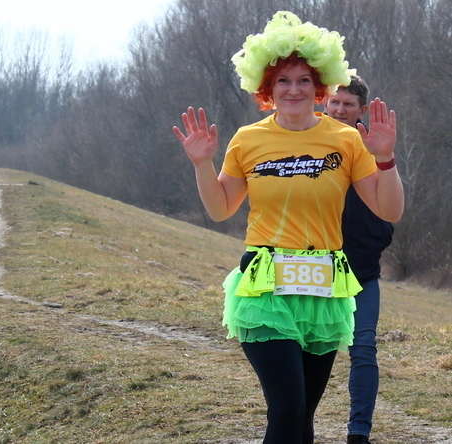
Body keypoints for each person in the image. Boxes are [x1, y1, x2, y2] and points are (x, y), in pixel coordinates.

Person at [172, 11, 403, 444]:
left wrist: (386, 158)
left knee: (302, 419)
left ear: (320, 87)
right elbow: (220, 209)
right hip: (266, 289)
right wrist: (202, 164)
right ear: (267, 87)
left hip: (323, 290)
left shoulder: (345, 140)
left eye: (303, 80)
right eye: (283, 80)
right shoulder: (247, 139)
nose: (293, 89)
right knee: (287, 409)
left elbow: (388, 210)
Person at [326, 75, 394, 444]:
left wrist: (377, 239)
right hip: (314, 269)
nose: (340, 110)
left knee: (364, 349)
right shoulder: (309, 140)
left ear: (361, 109)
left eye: (348, 104)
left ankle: (358, 433)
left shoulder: (373, 145)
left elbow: (388, 202)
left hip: (361, 272)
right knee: (309, 350)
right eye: (335, 102)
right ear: (325, 102)